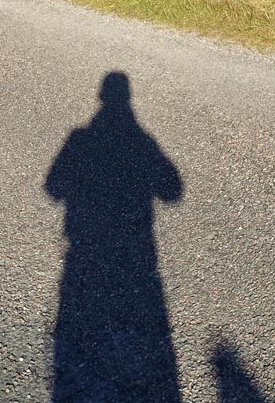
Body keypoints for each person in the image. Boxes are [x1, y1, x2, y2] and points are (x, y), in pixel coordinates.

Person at [45, 71, 183, 403]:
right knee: (137, 315)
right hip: (138, 253)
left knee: (83, 317)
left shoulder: (79, 138)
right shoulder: (144, 141)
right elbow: (172, 190)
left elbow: (53, 187)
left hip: (83, 247)